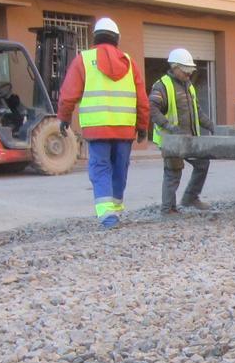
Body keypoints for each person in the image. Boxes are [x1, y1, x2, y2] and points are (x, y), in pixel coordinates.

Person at [57, 17, 150, 228]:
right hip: (125, 129)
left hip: (97, 129)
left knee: (100, 169)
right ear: (117, 39)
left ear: (95, 38)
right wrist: (143, 126)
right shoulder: (129, 62)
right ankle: (115, 211)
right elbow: (142, 99)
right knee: (120, 169)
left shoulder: (84, 60)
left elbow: (68, 94)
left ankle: (108, 216)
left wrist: (64, 117)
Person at [150, 48, 214, 214]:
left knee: (202, 163)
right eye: (185, 71)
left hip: (188, 139)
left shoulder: (188, 86)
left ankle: (190, 198)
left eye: (190, 72)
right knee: (173, 172)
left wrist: (211, 125)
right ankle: (168, 209)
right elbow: (153, 109)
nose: (188, 75)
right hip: (172, 140)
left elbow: (197, 111)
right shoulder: (162, 86)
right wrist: (170, 127)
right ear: (175, 67)